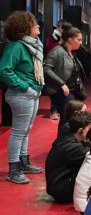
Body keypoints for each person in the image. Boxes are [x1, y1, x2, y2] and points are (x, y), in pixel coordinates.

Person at [0, 11, 44, 184]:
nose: (38, 26)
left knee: (25, 131)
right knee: (19, 132)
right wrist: (24, 87)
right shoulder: (17, 46)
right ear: (25, 28)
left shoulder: (32, 46)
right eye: (34, 24)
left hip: (31, 94)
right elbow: (4, 70)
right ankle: (13, 170)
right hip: (22, 94)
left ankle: (23, 163)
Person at [45, 111, 91, 203]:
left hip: (56, 184)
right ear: (80, 130)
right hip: (62, 190)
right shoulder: (74, 148)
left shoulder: (67, 134)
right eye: (89, 130)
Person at [44, 26, 86, 129]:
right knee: (67, 119)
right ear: (70, 39)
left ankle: (65, 143)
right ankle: (62, 143)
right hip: (61, 91)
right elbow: (46, 69)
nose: (80, 42)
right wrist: (61, 84)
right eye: (79, 39)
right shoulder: (57, 51)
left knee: (69, 120)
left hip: (72, 90)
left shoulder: (72, 53)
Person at [45, 20, 72, 120]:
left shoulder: (65, 38)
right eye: (63, 28)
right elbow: (49, 49)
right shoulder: (52, 38)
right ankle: (53, 111)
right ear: (59, 27)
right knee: (55, 88)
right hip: (54, 68)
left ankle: (61, 109)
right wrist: (60, 42)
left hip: (64, 67)